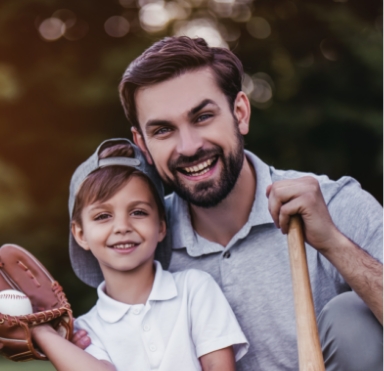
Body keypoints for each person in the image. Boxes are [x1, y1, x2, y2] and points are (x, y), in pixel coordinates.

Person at [75, 37, 383, 371]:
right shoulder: (144, 237)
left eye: (203, 116)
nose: (189, 146)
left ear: (240, 112)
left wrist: (334, 243)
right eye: (163, 130)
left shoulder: (333, 203)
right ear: (143, 144)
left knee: (350, 318)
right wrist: (43, 334)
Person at [31, 138, 249, 371]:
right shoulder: (86, 330)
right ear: (81, 233)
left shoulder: (194, 289)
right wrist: (39, 330)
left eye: (138, 212)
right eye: (103, 216)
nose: (122, 226)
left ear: (162, 226)